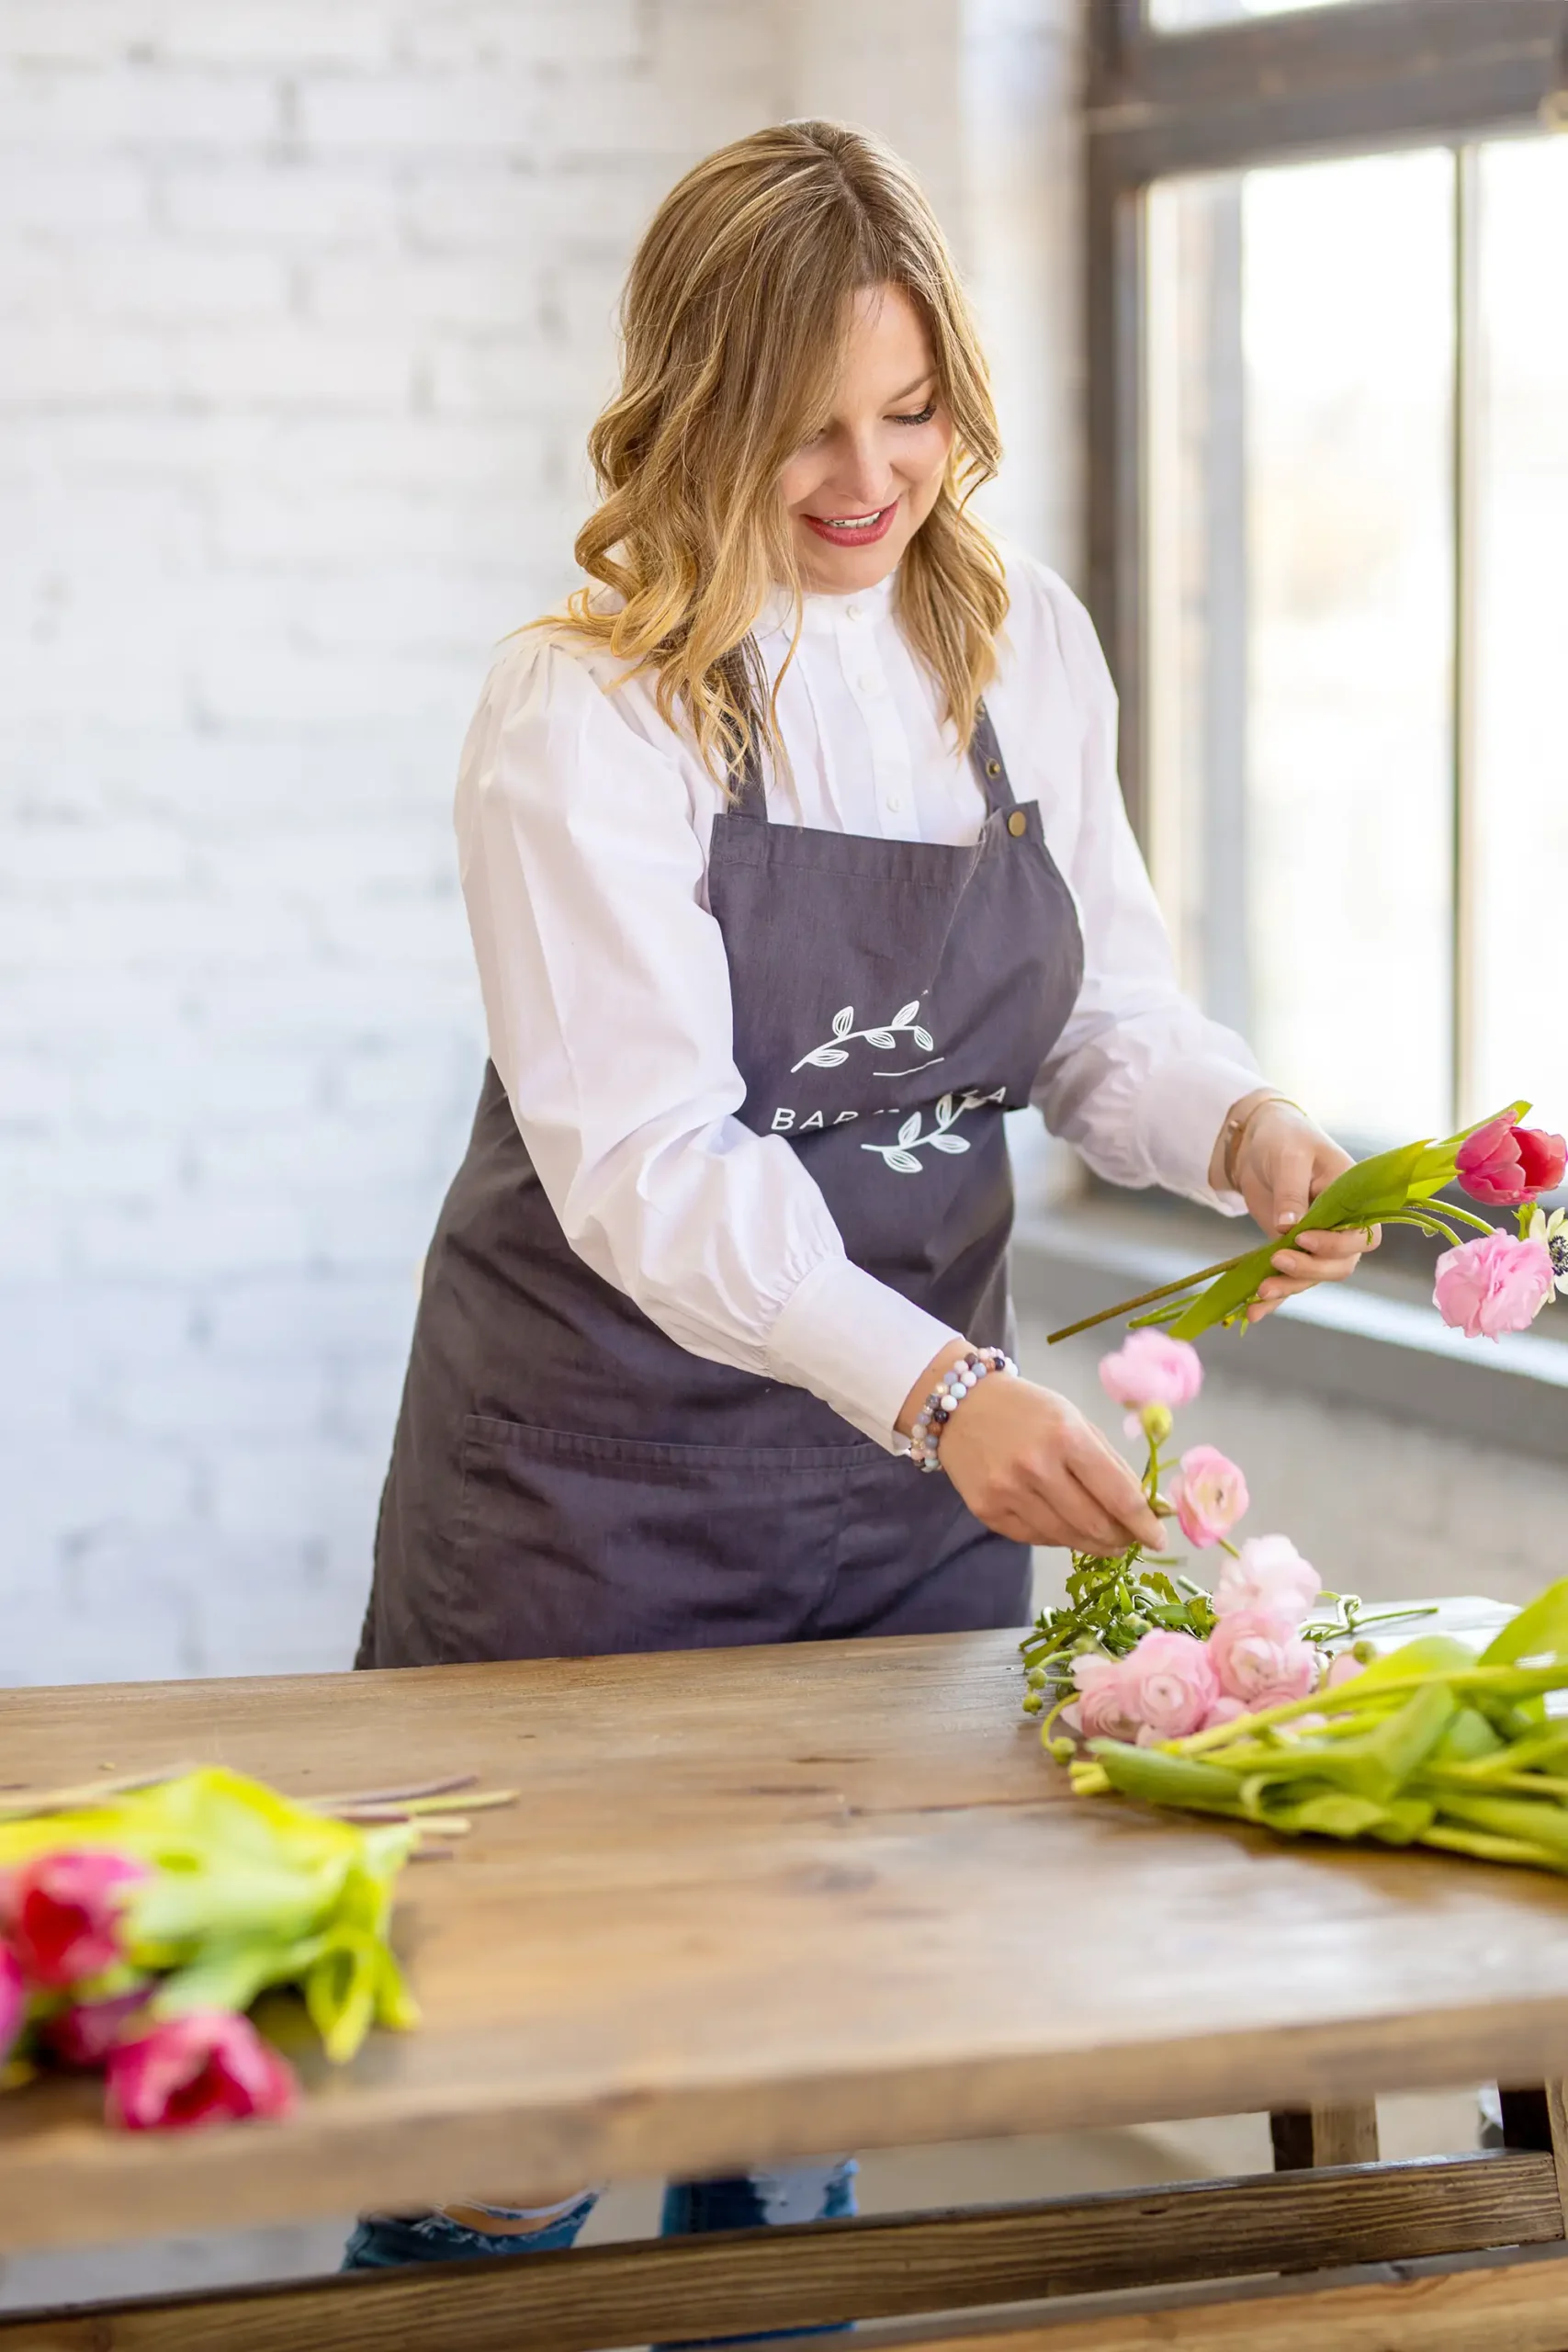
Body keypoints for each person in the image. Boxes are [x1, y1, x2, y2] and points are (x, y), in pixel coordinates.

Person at [347, 120, 1372, 2278]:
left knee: (811, 2084)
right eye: (798, 423)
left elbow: (1099, 1024)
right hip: (595, 1490)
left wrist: (1247, 1126)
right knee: (514, 2126)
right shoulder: (590, 705)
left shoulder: (1020, 649)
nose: (864, 475)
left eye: (907, 414)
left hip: (905, 1502)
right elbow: (641, 1158)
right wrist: (936, 1389)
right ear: (688, 410)